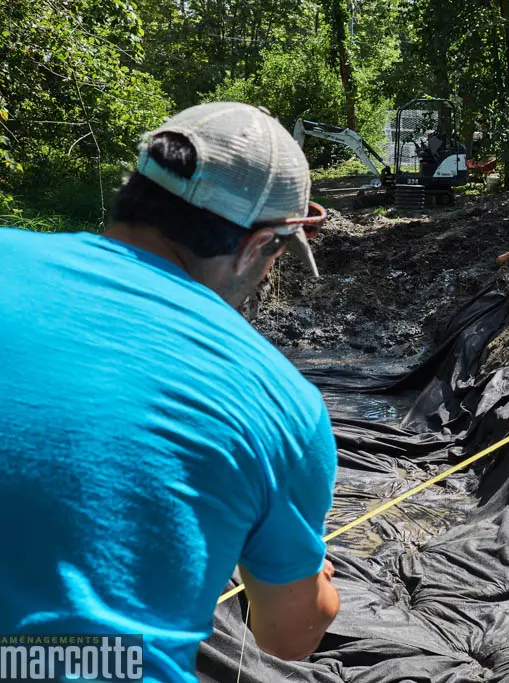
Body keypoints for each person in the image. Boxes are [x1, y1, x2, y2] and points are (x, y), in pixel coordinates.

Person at [0, 102, 340, 681]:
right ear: (259, 246)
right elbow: (285, 639)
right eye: (278, 255)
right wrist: (317, 589)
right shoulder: (283, 404)